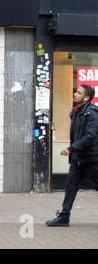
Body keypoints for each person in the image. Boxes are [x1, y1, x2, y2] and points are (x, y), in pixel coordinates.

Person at [46, 84, 98, 227]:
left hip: (92, 158)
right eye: (75, 91)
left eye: (78, 93)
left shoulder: (92, 113)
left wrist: (71, 148)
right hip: (78, 159)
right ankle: (64, 216)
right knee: (70, 186)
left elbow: (90, 136)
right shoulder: (76, 112)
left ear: (86, 97)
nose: (74, 94)